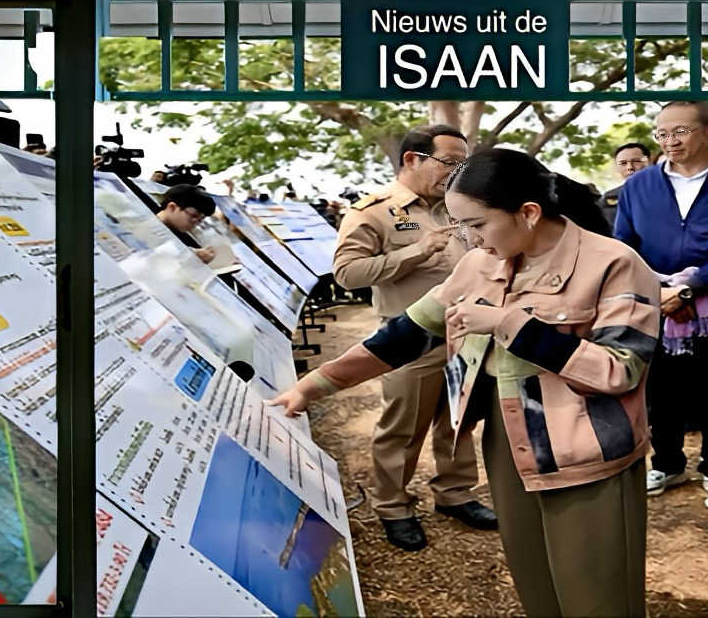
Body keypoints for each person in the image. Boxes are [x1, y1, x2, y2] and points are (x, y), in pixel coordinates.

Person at [271, 148, 659, 616]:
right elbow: (406, 334)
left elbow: (620, 368)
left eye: (477, 225)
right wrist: (313, 385)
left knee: (597, 595)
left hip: (588, 447)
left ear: (529, 213)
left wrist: (506, 323)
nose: (470, 240)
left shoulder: (613, 262)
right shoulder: (480, 264)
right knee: (535, 579)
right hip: (508, 438)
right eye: (460, 227)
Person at [331, 124, 493, 551]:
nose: (458, 172)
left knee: (458, 419)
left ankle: (455, 492)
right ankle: (394, 506)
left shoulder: (456, 208)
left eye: (464, 164)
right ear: (412, 160)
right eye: (450, 162)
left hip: (465, 331)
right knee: (403, 426)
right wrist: (412, 253)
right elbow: (346, 274)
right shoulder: (373, 211)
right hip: (409, 335)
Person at [615, 101, 708, 512]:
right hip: (653, 299)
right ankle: (666, 462)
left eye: (680, 131)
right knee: (660, 388)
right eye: (662, 133)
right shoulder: (638, 185)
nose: (669, 141)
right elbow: (624, 246)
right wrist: (658, 290)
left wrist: (690, 287)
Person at [156, 184, 219, 265]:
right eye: (193, 215)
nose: (195, 222)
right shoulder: (141, 225)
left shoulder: (187, 240)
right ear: (172, 207)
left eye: (200, 219)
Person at [598, 142, 653, 231]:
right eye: (623, 163)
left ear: (650, 162)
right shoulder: (610, 197)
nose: (630, 167)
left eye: (636, 161)